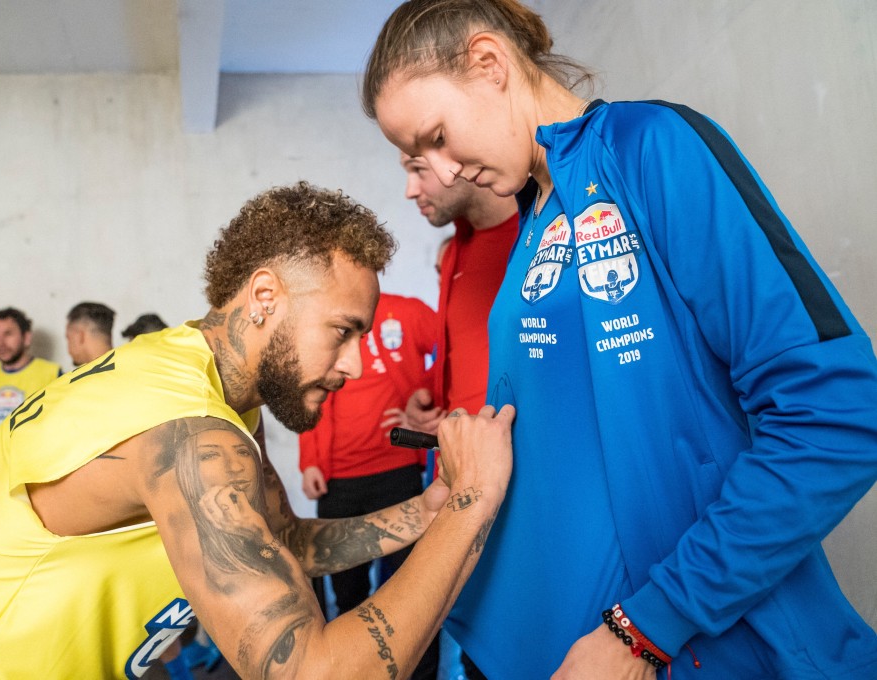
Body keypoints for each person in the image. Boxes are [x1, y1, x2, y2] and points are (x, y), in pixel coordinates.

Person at [362, 1, 877, 678]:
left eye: (435, 136)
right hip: (529, 647)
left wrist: (646, 627)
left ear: (489, 64)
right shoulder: (534, 218)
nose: (438, 172)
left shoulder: (648, 149)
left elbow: (837, 415)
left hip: (666, 648)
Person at [0, 181, 515, 679]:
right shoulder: (187, 427)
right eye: (342, 331)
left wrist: (428, 512)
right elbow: (315, 673)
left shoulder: (206, 383)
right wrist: (470, 505)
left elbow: (282, 539)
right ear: (265, 298)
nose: (352, 364)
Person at [299, 291, 438, 676]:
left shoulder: (407, 311)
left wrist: (420, 393)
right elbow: (307, 389)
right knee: (347, 598)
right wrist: (310, 460)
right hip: (338, 483)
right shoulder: (323, 316)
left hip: (396, 474)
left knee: (413, 597)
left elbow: (452, 345)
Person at [398, 151, 518, 445]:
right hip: (466, 471)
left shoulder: (541, 235)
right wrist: (431, 393)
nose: (409, 191)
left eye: (418, 170)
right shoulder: (457, 248)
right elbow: (470, 350)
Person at [0, 307, 61, 465]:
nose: (0, 343)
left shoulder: (52, 373)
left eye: (8, 334)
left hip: (36, 470)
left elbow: (62, 428)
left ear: (26, 337)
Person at [66, 301, 116, 366]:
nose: (69, 351)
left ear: (79, 337)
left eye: (68, 338)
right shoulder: (130, 367)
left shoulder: (79, 376)